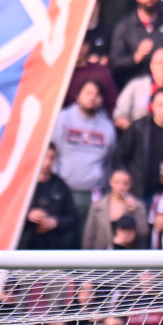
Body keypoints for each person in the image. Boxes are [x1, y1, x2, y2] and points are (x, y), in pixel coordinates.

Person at [51, 79, 117, 223]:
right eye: (88, 93)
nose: (92, 97)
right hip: (62, 190)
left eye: (97, 94)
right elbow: (50, 152)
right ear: (78, 96)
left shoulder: (107, 127)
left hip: (93, 194)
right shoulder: (62, 118)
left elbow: (109, 160)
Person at [18, 144, 77, 250]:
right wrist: (27, 215)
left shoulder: (61, 186)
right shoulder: (23, 184)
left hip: (52, 249)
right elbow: (7, 215)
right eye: (44, 157)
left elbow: (73, 219)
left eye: (52, 158)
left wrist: (56, 221)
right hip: (23, 247)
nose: (47, 162)